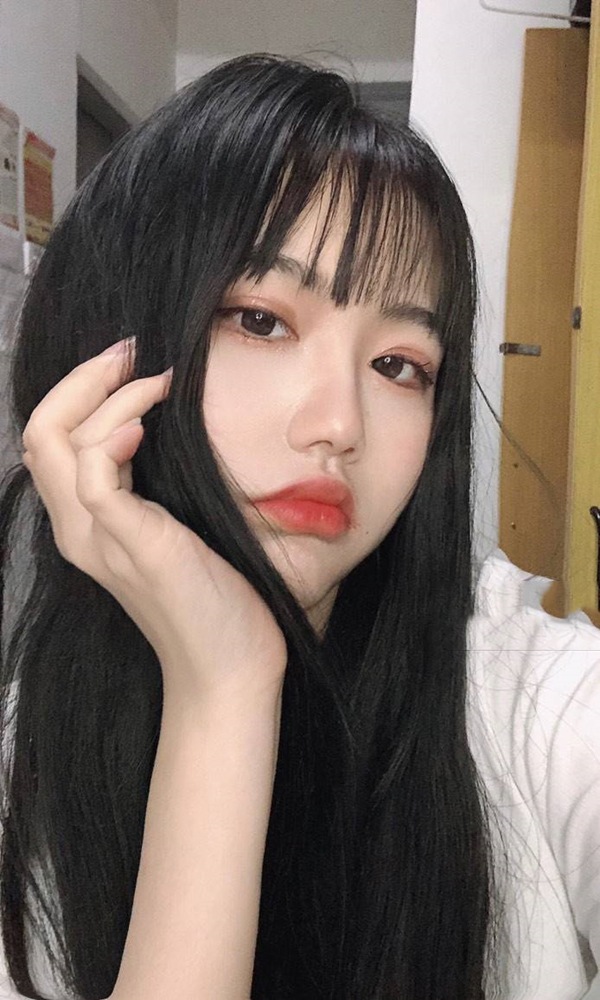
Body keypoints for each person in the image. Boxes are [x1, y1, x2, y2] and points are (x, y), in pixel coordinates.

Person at [0, 52, 598, 1000]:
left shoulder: (545, 708)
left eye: (400, 365)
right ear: (108, 349)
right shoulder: (20, 766)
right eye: (261, 321)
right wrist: (226, 689)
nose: (340, 425)